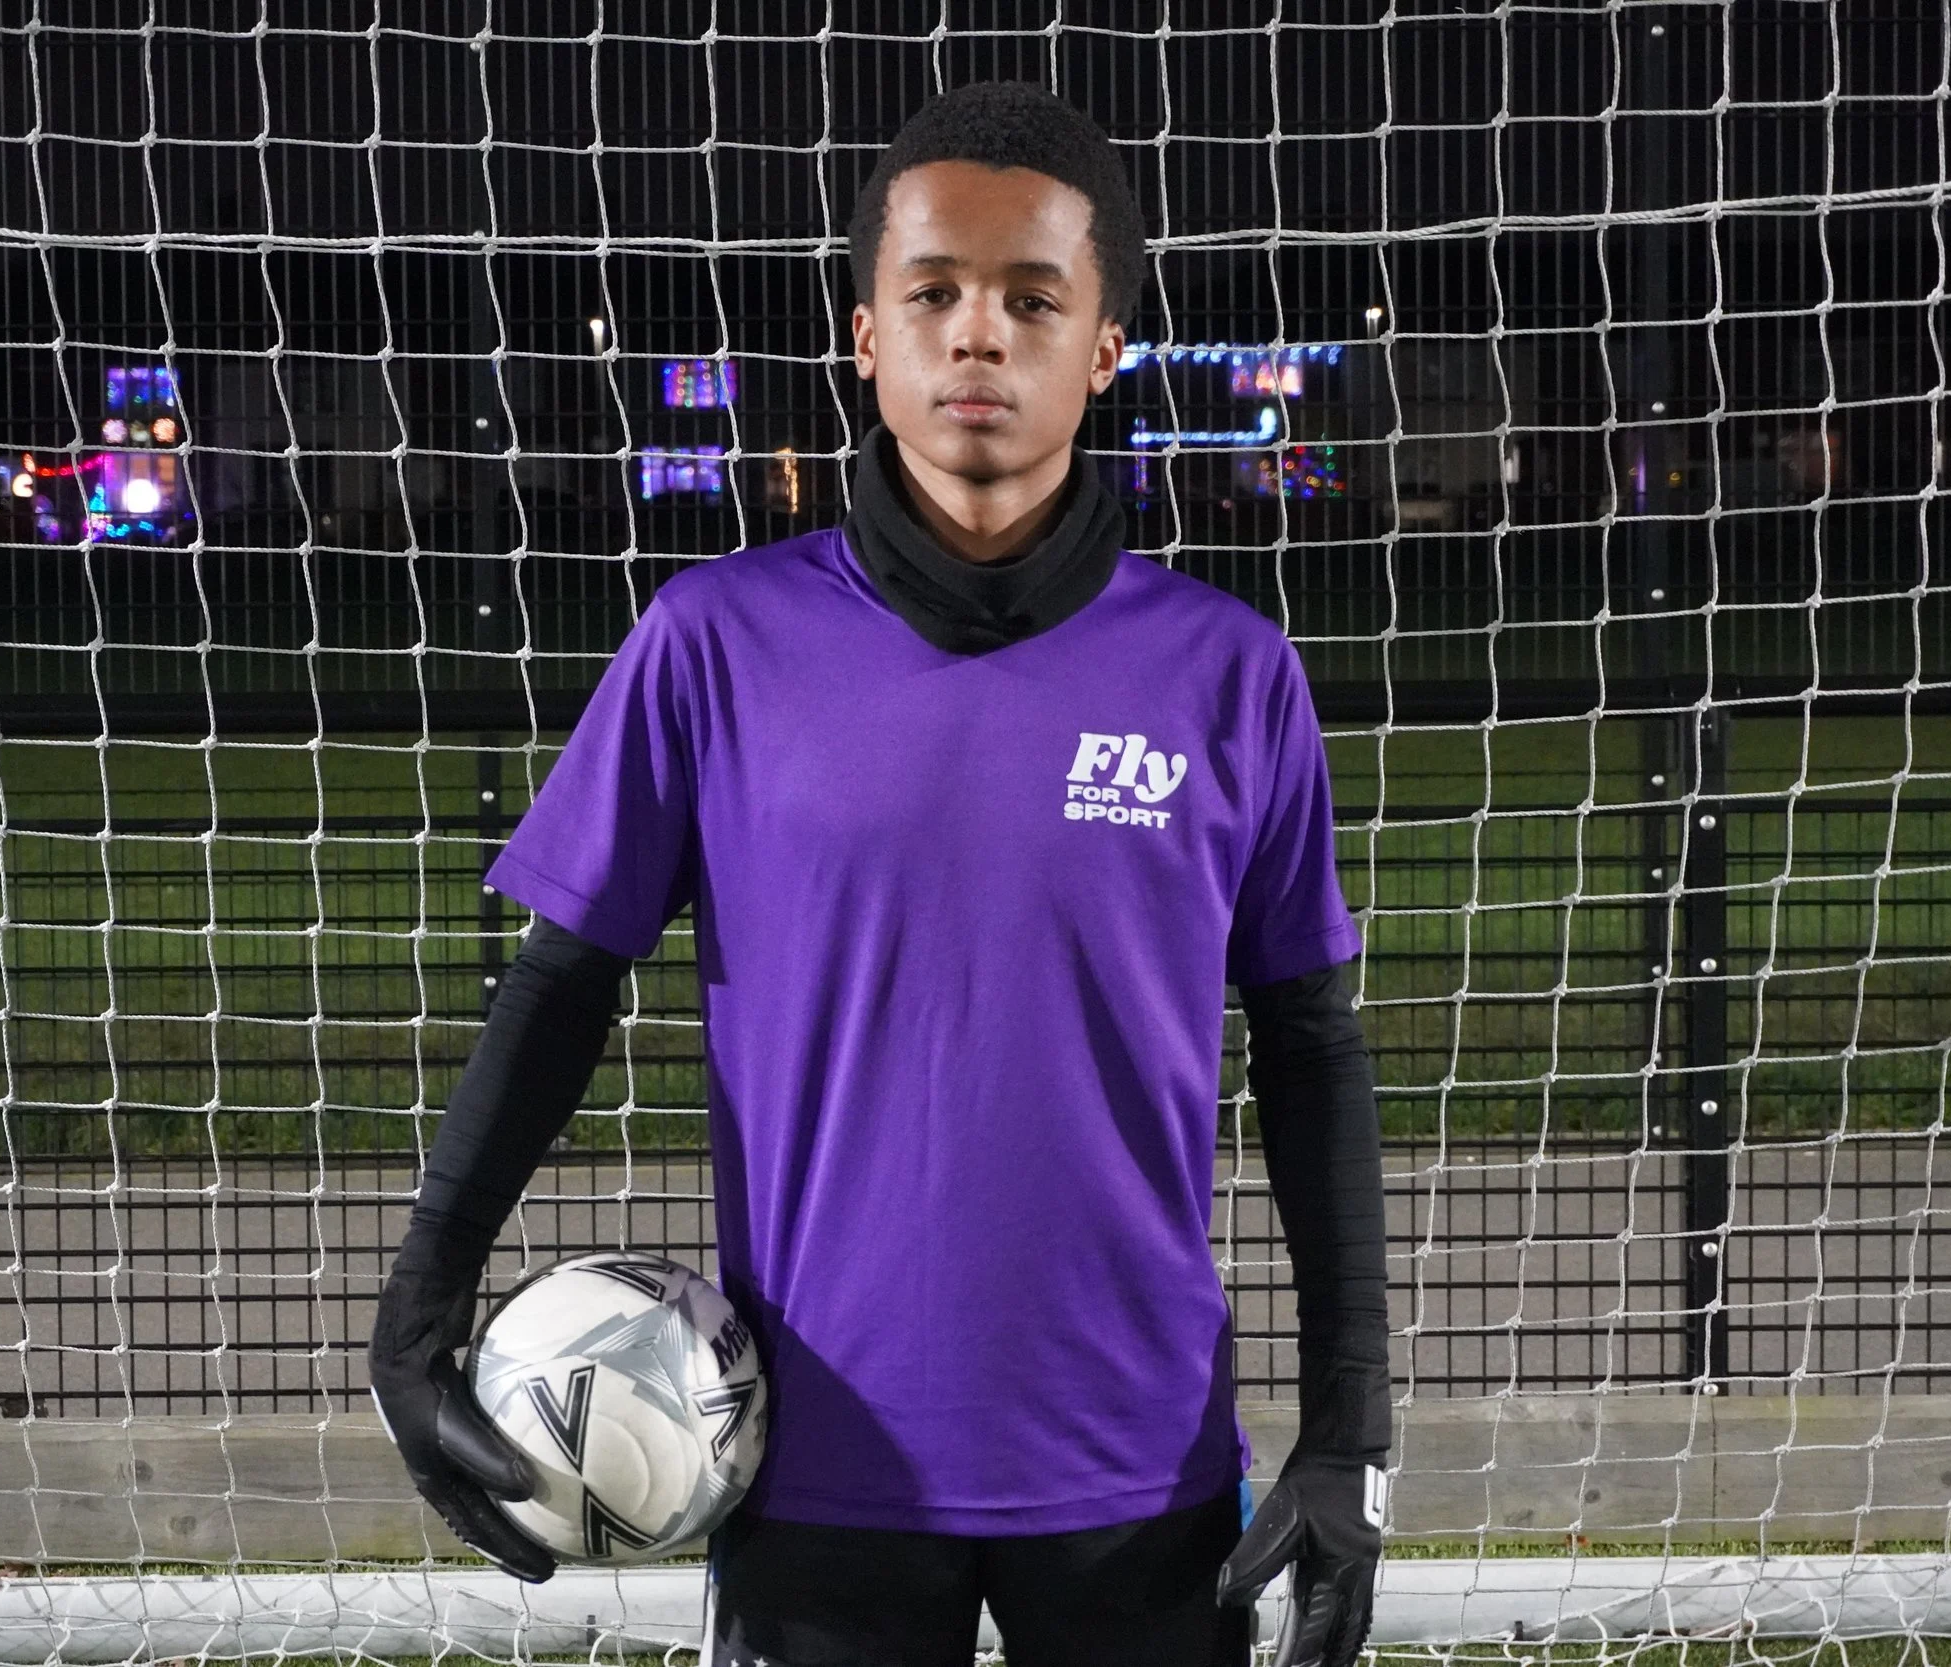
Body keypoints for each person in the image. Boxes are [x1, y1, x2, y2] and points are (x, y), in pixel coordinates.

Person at [367, 80, 1391, 1667]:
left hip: (1138, 1474)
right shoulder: (714, 643)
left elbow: (1315, 1052)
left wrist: (1353, 1433)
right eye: (934, 294)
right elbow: (562, 984)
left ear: (1104, 345)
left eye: (1032, 299)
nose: (978, 335)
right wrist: (419, 1305)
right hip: (813, 1472)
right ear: (867, 335)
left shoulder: (1227, 676)